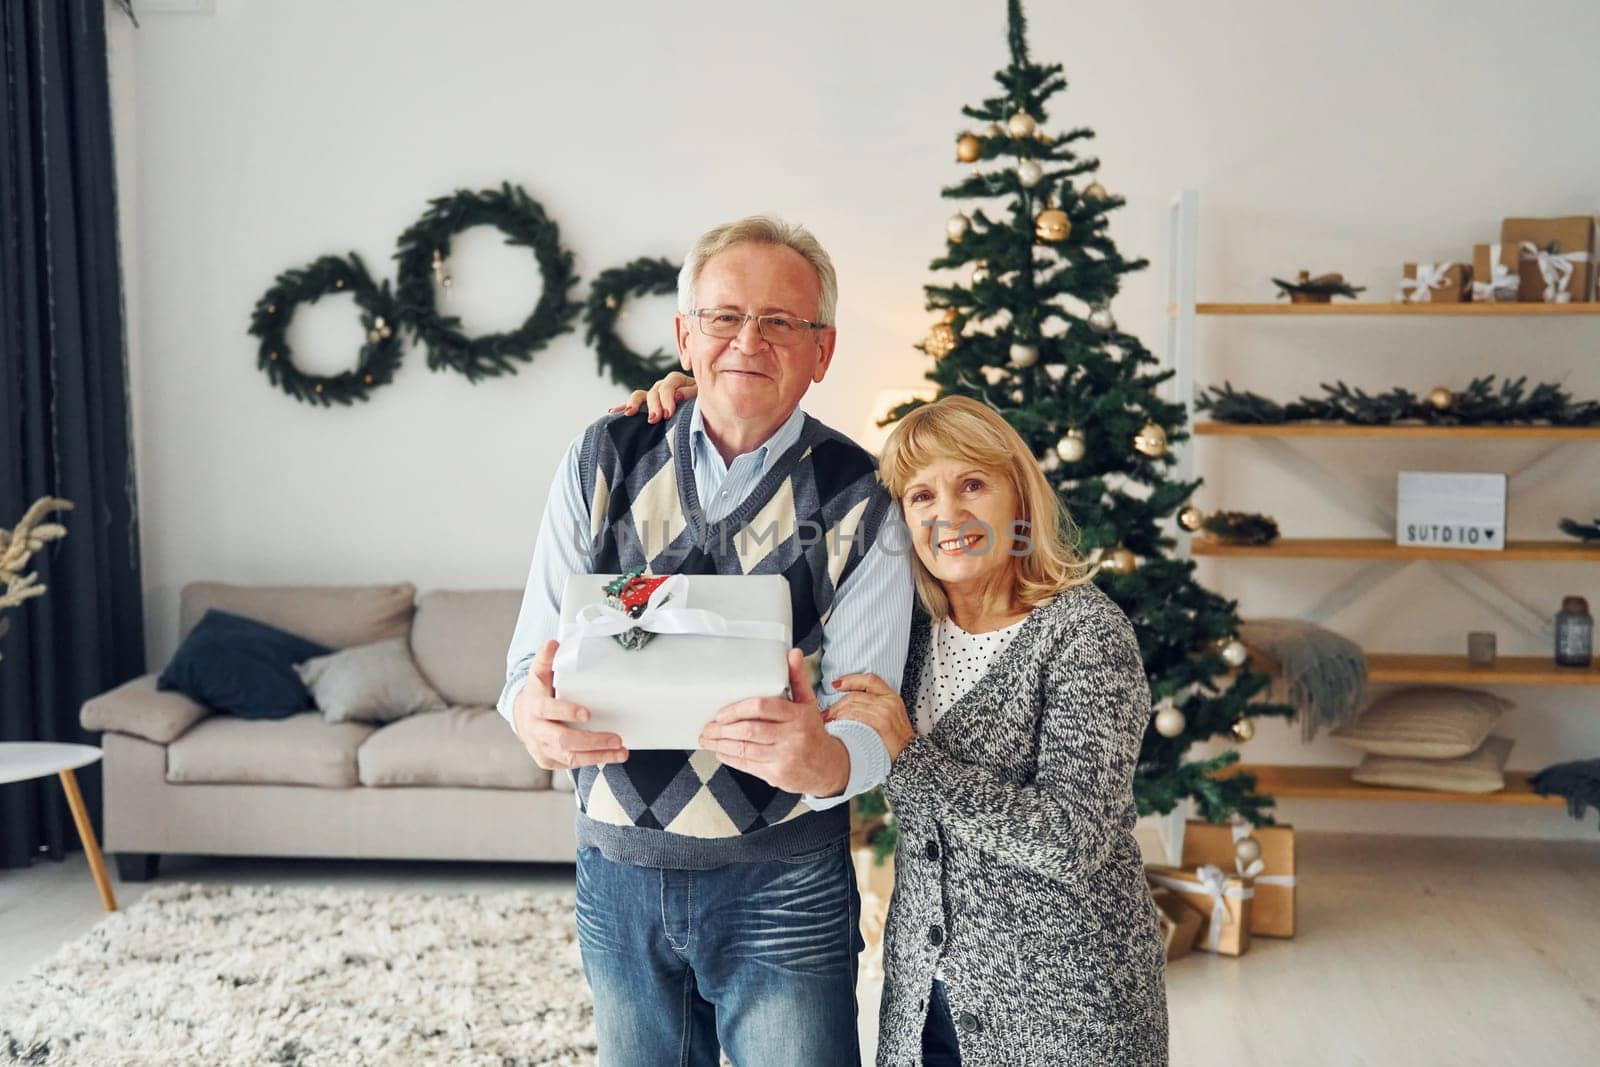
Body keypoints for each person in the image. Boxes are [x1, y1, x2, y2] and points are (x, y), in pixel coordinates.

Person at [620, 383, 1168, 1065]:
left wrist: (911, 758)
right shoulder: (906, 630)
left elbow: (1072, 841)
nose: (950, 514)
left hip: (1064, 1008)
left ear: (1019, 498)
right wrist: (701, 398)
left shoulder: (1085, 634)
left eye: (973, 484)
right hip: (922, 998)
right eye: (922, 496)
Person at [498, 215, 915, 1067]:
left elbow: (877, 718)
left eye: (780, 322)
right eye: (724, 317)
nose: (747, 341)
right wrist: (530, 718)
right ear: (685, 335)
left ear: (822, 350)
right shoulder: (601, 459)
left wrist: (831, 760)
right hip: (615, 877)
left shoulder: (865, 498)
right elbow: (520, 672)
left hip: (785, 884)